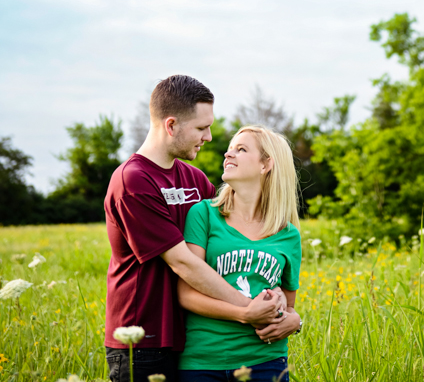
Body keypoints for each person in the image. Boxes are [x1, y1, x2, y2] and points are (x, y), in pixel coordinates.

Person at [104, 75, 288, 382]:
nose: (210, 137)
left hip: (192, 337)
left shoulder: (195, 179)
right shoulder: (133, 181)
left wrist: (282, 307)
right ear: (171, 125)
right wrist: (250, 310)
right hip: (143, 339)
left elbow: (235, 248)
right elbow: (182, 262)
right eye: (202, 128)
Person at [177, 125, 303, 382]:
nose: (228, 154)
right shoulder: (204, 214)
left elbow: (288, 306)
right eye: (230, 148)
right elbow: (186, 294)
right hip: (202, 361)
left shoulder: (288, 234)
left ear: (265, 164)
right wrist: (245, 314)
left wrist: (295, 321)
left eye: (241, 149)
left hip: (265, 361)